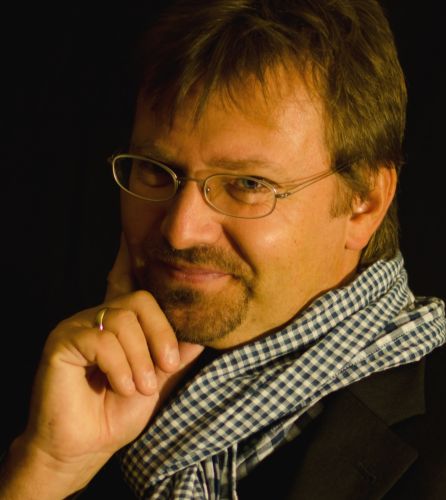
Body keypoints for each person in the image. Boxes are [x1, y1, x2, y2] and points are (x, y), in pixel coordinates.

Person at [1, 0, 445, 498]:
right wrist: (45, 469)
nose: (180, 231)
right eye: (155, 171)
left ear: (364, 204)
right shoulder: (69, 393)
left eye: (247, 184)